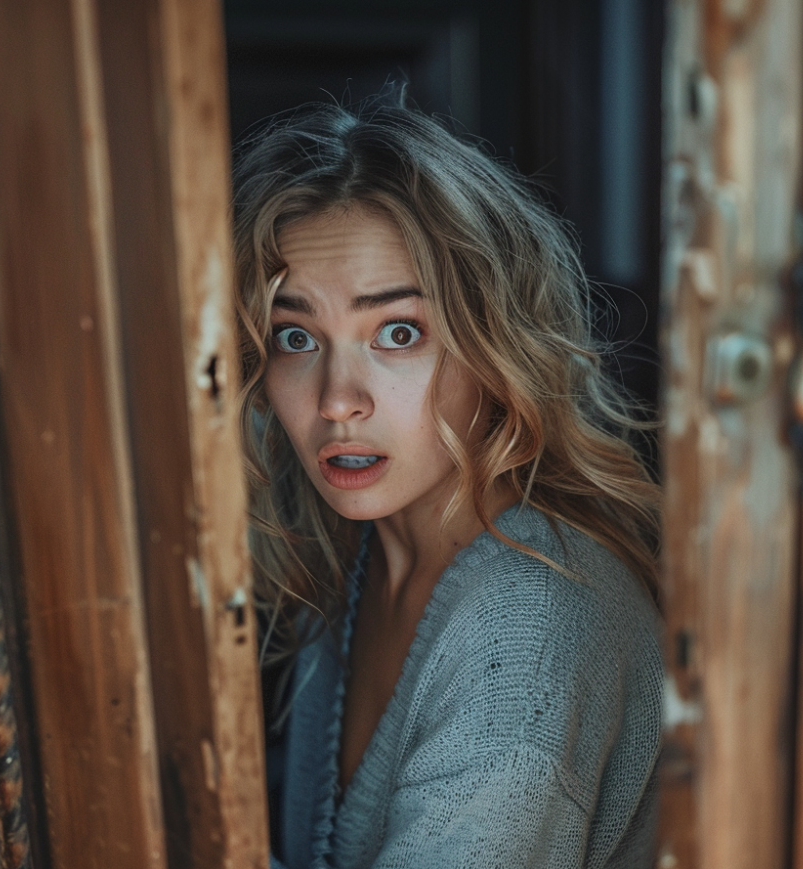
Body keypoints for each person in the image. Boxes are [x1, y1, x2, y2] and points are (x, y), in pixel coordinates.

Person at [232, 88, 663, 869]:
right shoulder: (350, 556)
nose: (337, 399)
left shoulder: (529, 638)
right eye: (296, 336)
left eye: (397, 332)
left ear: (494, 349)